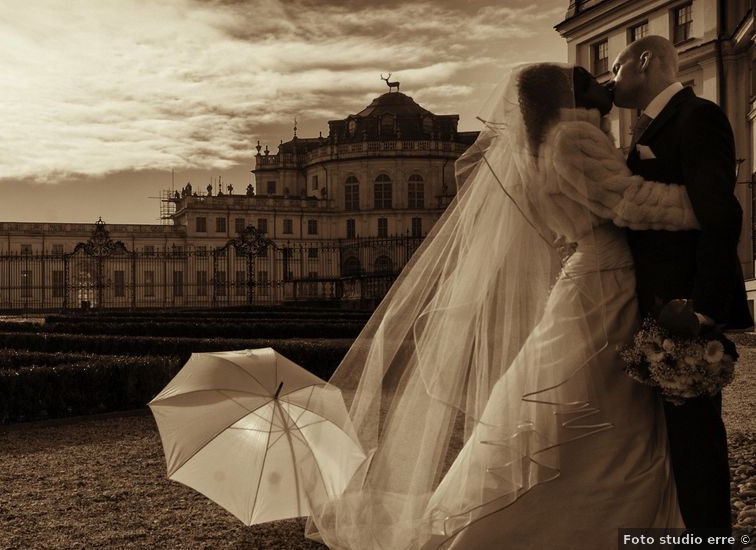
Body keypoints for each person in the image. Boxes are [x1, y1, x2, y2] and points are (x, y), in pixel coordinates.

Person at [303, 63, 695, 549]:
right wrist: (703, 204)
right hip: (606, 277)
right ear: (564, 94)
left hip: (590, 272)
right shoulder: (572, 138)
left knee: (576, 401)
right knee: (602, 402)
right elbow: (629, 202)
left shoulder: (533, 149)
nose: (605, 82)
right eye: (587, 77)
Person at [608, 35, 754, 538]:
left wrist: (704, 312)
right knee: (675, 444)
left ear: (644, 61)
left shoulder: (698, 116)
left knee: (697, 447)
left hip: (681, 312)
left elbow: (720, 216)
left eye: (616, 65)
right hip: (652, 309)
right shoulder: (647, 126)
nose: (612, 77)